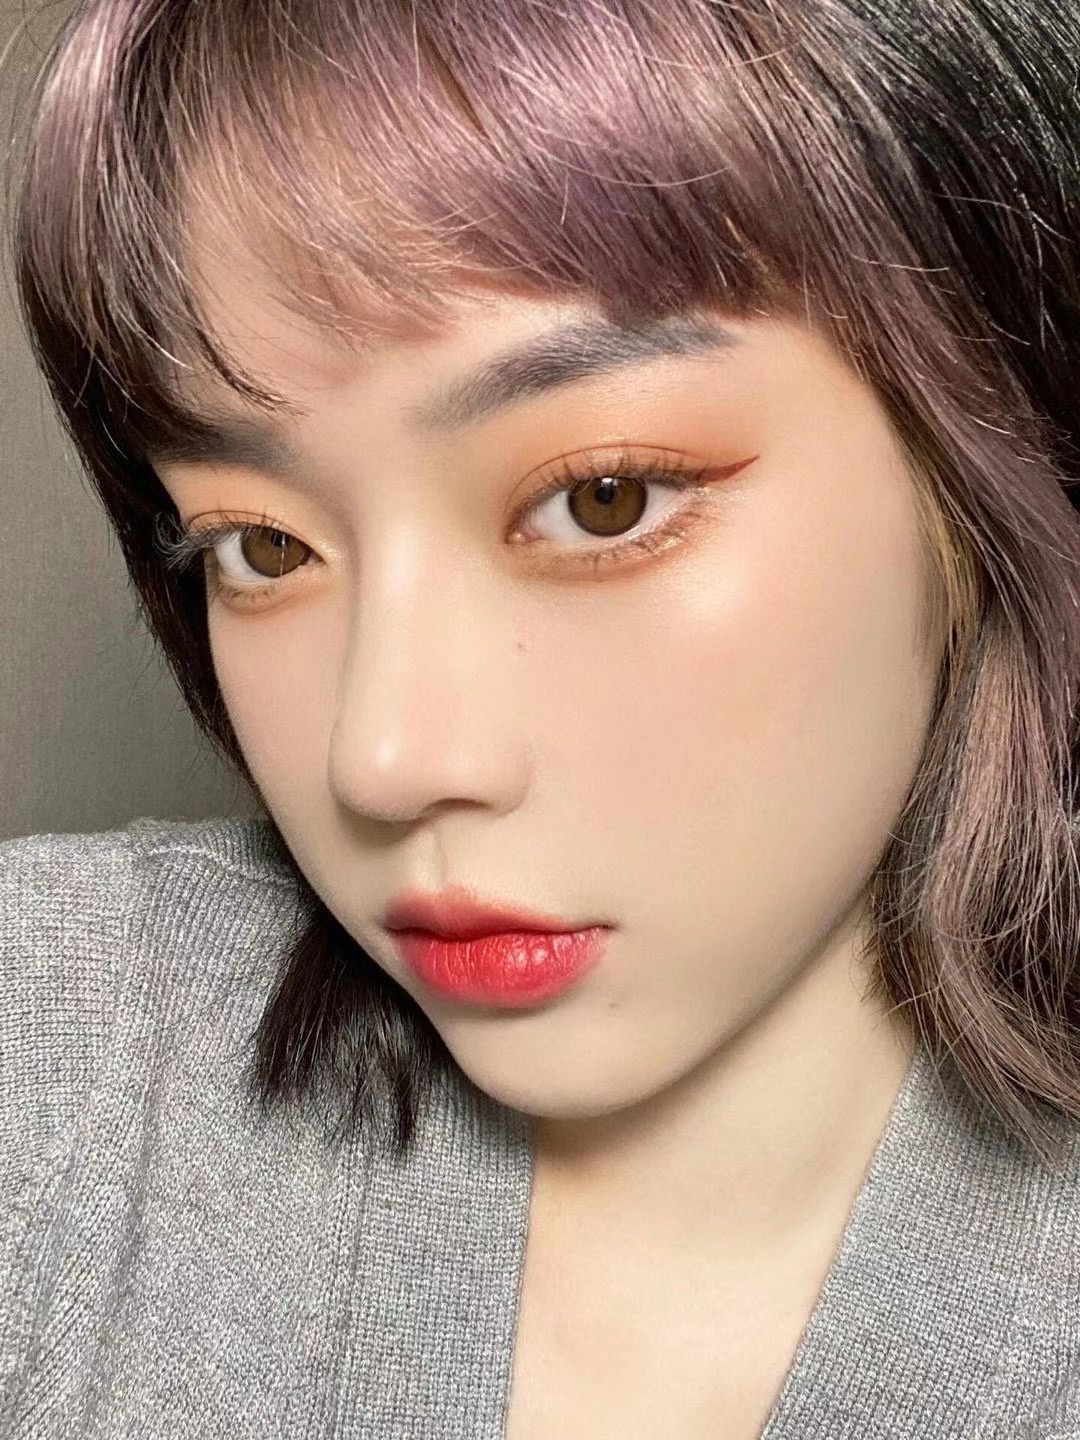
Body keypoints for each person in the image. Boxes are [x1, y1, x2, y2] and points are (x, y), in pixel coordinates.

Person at [3, 0, 1079, 1435]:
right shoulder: (59, 1048)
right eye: (260, 547)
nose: (384, 758)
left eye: (601, 500)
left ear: (989, 445)